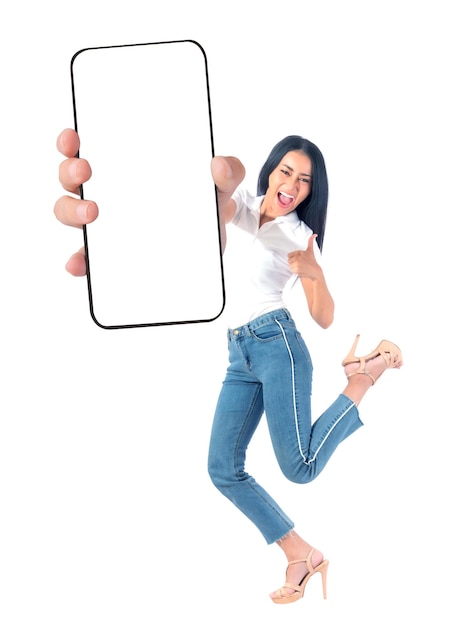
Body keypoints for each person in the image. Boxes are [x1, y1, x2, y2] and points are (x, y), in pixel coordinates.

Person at [55, 129, 402, 604]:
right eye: (286, 171)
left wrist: (315, 273)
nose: (291, 186)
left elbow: (324, 318)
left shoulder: (299, 235)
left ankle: (362, 377)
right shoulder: (238, 203)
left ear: (309, 192)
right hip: (238, 352)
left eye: (303, 181)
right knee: (223, 468)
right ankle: (300, 552)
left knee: (299, 469)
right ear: (271, 170)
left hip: (277, 342)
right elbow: (218, 197)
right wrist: (221, 176)